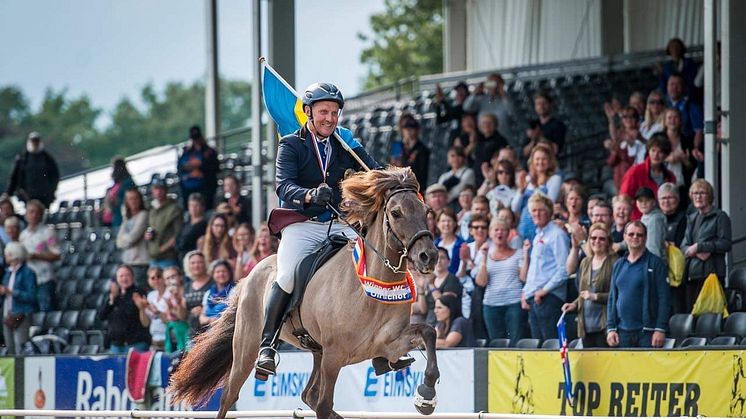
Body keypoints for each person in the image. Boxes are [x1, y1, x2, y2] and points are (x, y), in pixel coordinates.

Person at [257, 82, 380, 377]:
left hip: (339, 223)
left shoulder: (345, 142)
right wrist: (310, 195)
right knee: (286, 275)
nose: (330, 118)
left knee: (372, 264)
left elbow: (373, 171)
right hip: (302, 224)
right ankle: (267, 345)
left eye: (335, 113)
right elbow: (283, 185)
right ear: (309, 112)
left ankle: (382, 343)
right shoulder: (291, 144)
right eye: (324, 111)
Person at [607, 221, 670, 348]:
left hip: (647, 333)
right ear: (624, 237)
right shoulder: (618, 265)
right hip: (621, 332)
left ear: (646, 238)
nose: (635, 237)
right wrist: (611, 328)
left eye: (639, 235)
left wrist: (660, 328)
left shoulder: (656, 264)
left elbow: (664, 298)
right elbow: (612, 298)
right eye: (631, 234)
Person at [520, 193, 570, 341]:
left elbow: (564, 269)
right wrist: (526, 292)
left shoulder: (557, 235)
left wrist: (544, 290)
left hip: (549, 297)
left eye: (540, 210)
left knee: (551, 344)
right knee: (538, 346)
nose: (537, 214)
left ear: (549, 212)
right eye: (533, 211)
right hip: (535, 297)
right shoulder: (537, 236)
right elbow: (535, 270)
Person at [561, 224, 617, 348]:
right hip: (585, 325)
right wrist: (574, 304)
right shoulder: (585, 262)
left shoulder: (615, 262)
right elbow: (583, 293)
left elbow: (617, 295)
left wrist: (596, 297)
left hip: (605, 326)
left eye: (602, 239)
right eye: (593, 238)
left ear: (608, 242)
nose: (597, 241)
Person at [681, 179, 732, 311]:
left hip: (712, 274)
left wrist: (700, 247)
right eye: (695, 193)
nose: (698, 196)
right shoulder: (691, 218)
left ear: (710, 196)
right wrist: (694, 250)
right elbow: (684, 246)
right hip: (693, 274)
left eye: (702, 193)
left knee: (711, 316)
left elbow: (726, 244)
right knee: (693, 317)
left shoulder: (720, 216)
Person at [475, 218, 525, 346]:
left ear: (508, 233)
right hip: (491, 304)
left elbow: (524, 277)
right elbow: (481, 282)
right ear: (490, 233)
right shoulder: (484, 254)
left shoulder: (518, 253)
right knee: (497, 343)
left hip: (513, 302)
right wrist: (484, 258)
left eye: (503, 230)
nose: (499, 233)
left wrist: (527, 255)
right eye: (496, 230)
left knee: (515, 341)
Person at [512, 144, 562, 243]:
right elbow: (514, 208)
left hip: (541, 224)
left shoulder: (554, 179)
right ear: (532, 161)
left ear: (549, 161)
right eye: (537, 159)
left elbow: (549, 203)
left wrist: (537, 187)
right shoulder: (527, 179)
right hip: (524, 225)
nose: (540, 162)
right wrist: (521, 190)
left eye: (544, 159)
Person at [619, 134, 676, 220]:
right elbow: (624, 198)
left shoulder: (670, 176)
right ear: (648, 151)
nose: (656, 155)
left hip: (664, 220)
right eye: (653, 150)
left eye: (660, 152)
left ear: (666, 155)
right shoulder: (635, 171)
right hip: (639, 221)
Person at [99, 264, 151, 354]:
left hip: (136, 344)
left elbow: (129, 313)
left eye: (127, 275)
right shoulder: (112, 295)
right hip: (116, 345)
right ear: (116, 279)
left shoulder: (139, 292)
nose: (124, 278)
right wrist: (111, 301)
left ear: (133, 277)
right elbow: (101, 316)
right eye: (121, 276)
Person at [19, 200, 59, 312]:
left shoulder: (48, 232)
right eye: (31, 212)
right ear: (26, 214)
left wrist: (37, 256)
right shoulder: (23, 235)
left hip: (44, 278)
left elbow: (57, 254)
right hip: (28, 280)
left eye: (37, 212)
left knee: (46, 309)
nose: (34, 215)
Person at [1, 242, 38, 354]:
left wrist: (11, 292)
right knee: (9, 346)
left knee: (20, 345)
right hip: (8, 313)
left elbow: (31, 296)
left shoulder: (28, 273)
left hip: (21, 313)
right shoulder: (8, 273)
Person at [5, 132, 59, 208]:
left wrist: (51, 191)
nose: (35, 143)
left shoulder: (48, 159)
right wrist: (8, 194)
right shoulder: (22, 159)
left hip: (45, 197)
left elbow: (55, 177)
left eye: (36, 141)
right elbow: (14, 178)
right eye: (33, 141)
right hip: (27, 197)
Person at [177, 125, 219, 210]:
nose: (196, 141)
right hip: (188, 188)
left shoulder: (209, 151)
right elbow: (180, 167)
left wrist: (200, 165)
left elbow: (215, 168)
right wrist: (193, 166)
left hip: (205, 188)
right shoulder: (186, 151)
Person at [463, 73, 514, 142]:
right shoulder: (483, 99)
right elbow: (466, 107)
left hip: (504, 138)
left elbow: (513, 112)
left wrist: (502, 92)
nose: (493, 86)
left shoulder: (507, 99)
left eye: (495, 83)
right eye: (490, 83)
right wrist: (475, 92)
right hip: (484, 139)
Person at [116, 188, 150, 289]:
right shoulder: (127, 218)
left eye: (135, 198)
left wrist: (124, 239)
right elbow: (118, 242)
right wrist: (125, 240)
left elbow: (133, 237)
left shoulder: (143, 215)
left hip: (140, 263)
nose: (133, 201)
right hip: (128, 262)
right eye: (130, 199)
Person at [145, 179, 183, 268]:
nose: (158, 192)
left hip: (168, 257)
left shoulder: (174, 209)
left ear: (166, 190)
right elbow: (149, 227)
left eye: (161, 189)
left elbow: (178, 234)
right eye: (156, 189)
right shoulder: (152, 209)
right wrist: (147, 235)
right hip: (153, 257)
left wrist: (163, 249)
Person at [134, 267, 170, 351]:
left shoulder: (170, 293)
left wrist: (158, 312)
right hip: (154, 340)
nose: (156, 279)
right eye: (153, 278)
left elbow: (169, 321)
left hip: (168, 338)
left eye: (159, 276)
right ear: (149, 281)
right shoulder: (151, 295)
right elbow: (146, 323)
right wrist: (141, 308)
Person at [392, 113, 430, 189]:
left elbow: (422, 173)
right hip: (399, 184)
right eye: (405, 127)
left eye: (411, 127)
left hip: (416, 185)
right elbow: (394, 166)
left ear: (417, 129)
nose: (408, 130)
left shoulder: (422, 148)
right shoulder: (397, 145)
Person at [469, 114, 508, 187]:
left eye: (489, 123)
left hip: (492, 176)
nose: (486, 125)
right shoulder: (479, 139)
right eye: (484, 123)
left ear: (495, 125)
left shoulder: (500, 140)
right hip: (478, 176)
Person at [182, 250, 213, 338]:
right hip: (192, 333)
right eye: (193, 263)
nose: (196, 265)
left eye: (200, 262)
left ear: (205, 264)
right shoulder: (187, 286)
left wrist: (204, 309)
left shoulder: (214, 282)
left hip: (210, 333)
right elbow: (183, 314)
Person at [199, 260, 235, 328]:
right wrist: (210, 320)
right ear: (213, 275)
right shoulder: (208, 293)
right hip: (210, 331)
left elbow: (232, 313)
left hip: (227, 330)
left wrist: (217, 320)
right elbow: (202, 318)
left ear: (230, 273)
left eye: (224, 271)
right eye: (217, 272)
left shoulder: (234, 290)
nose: (221, 274)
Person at [102, 157, 136, 227]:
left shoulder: (128, 182)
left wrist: (115, 200)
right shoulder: (118, 184)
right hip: (116, 216)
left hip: (123, 216)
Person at [635, 187, 667, 261]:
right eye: (640, 200)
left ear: (654, 202)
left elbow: (653, 247)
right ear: (636, 203)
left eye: (647, 200)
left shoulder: (655, 219)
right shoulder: (645, 216)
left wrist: (651, 268)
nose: (643, 203)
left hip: (653, 263)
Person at [163, 266, 189, 353]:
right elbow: (167, 319)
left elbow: (182, 316)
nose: (171, 280)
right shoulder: (167, 294)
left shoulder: (187, 290)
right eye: (167, 278)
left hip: (186, 331)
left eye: (173, 276)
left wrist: (177, 301)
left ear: (180, 277)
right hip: (173, 333)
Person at [176, 193, 208, 262]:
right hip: (181, 258)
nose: (193, 208)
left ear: (202, 207)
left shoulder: (205, 225)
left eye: (196, 205)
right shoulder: (186, 223)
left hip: (194, 260)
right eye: (191, 205)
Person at [434, 208, 466, 275]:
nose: (446, 224)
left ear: (455, 223)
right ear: (437, 224)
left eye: (449, 221)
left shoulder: (462, 245)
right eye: (443, 221)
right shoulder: (433, 245)